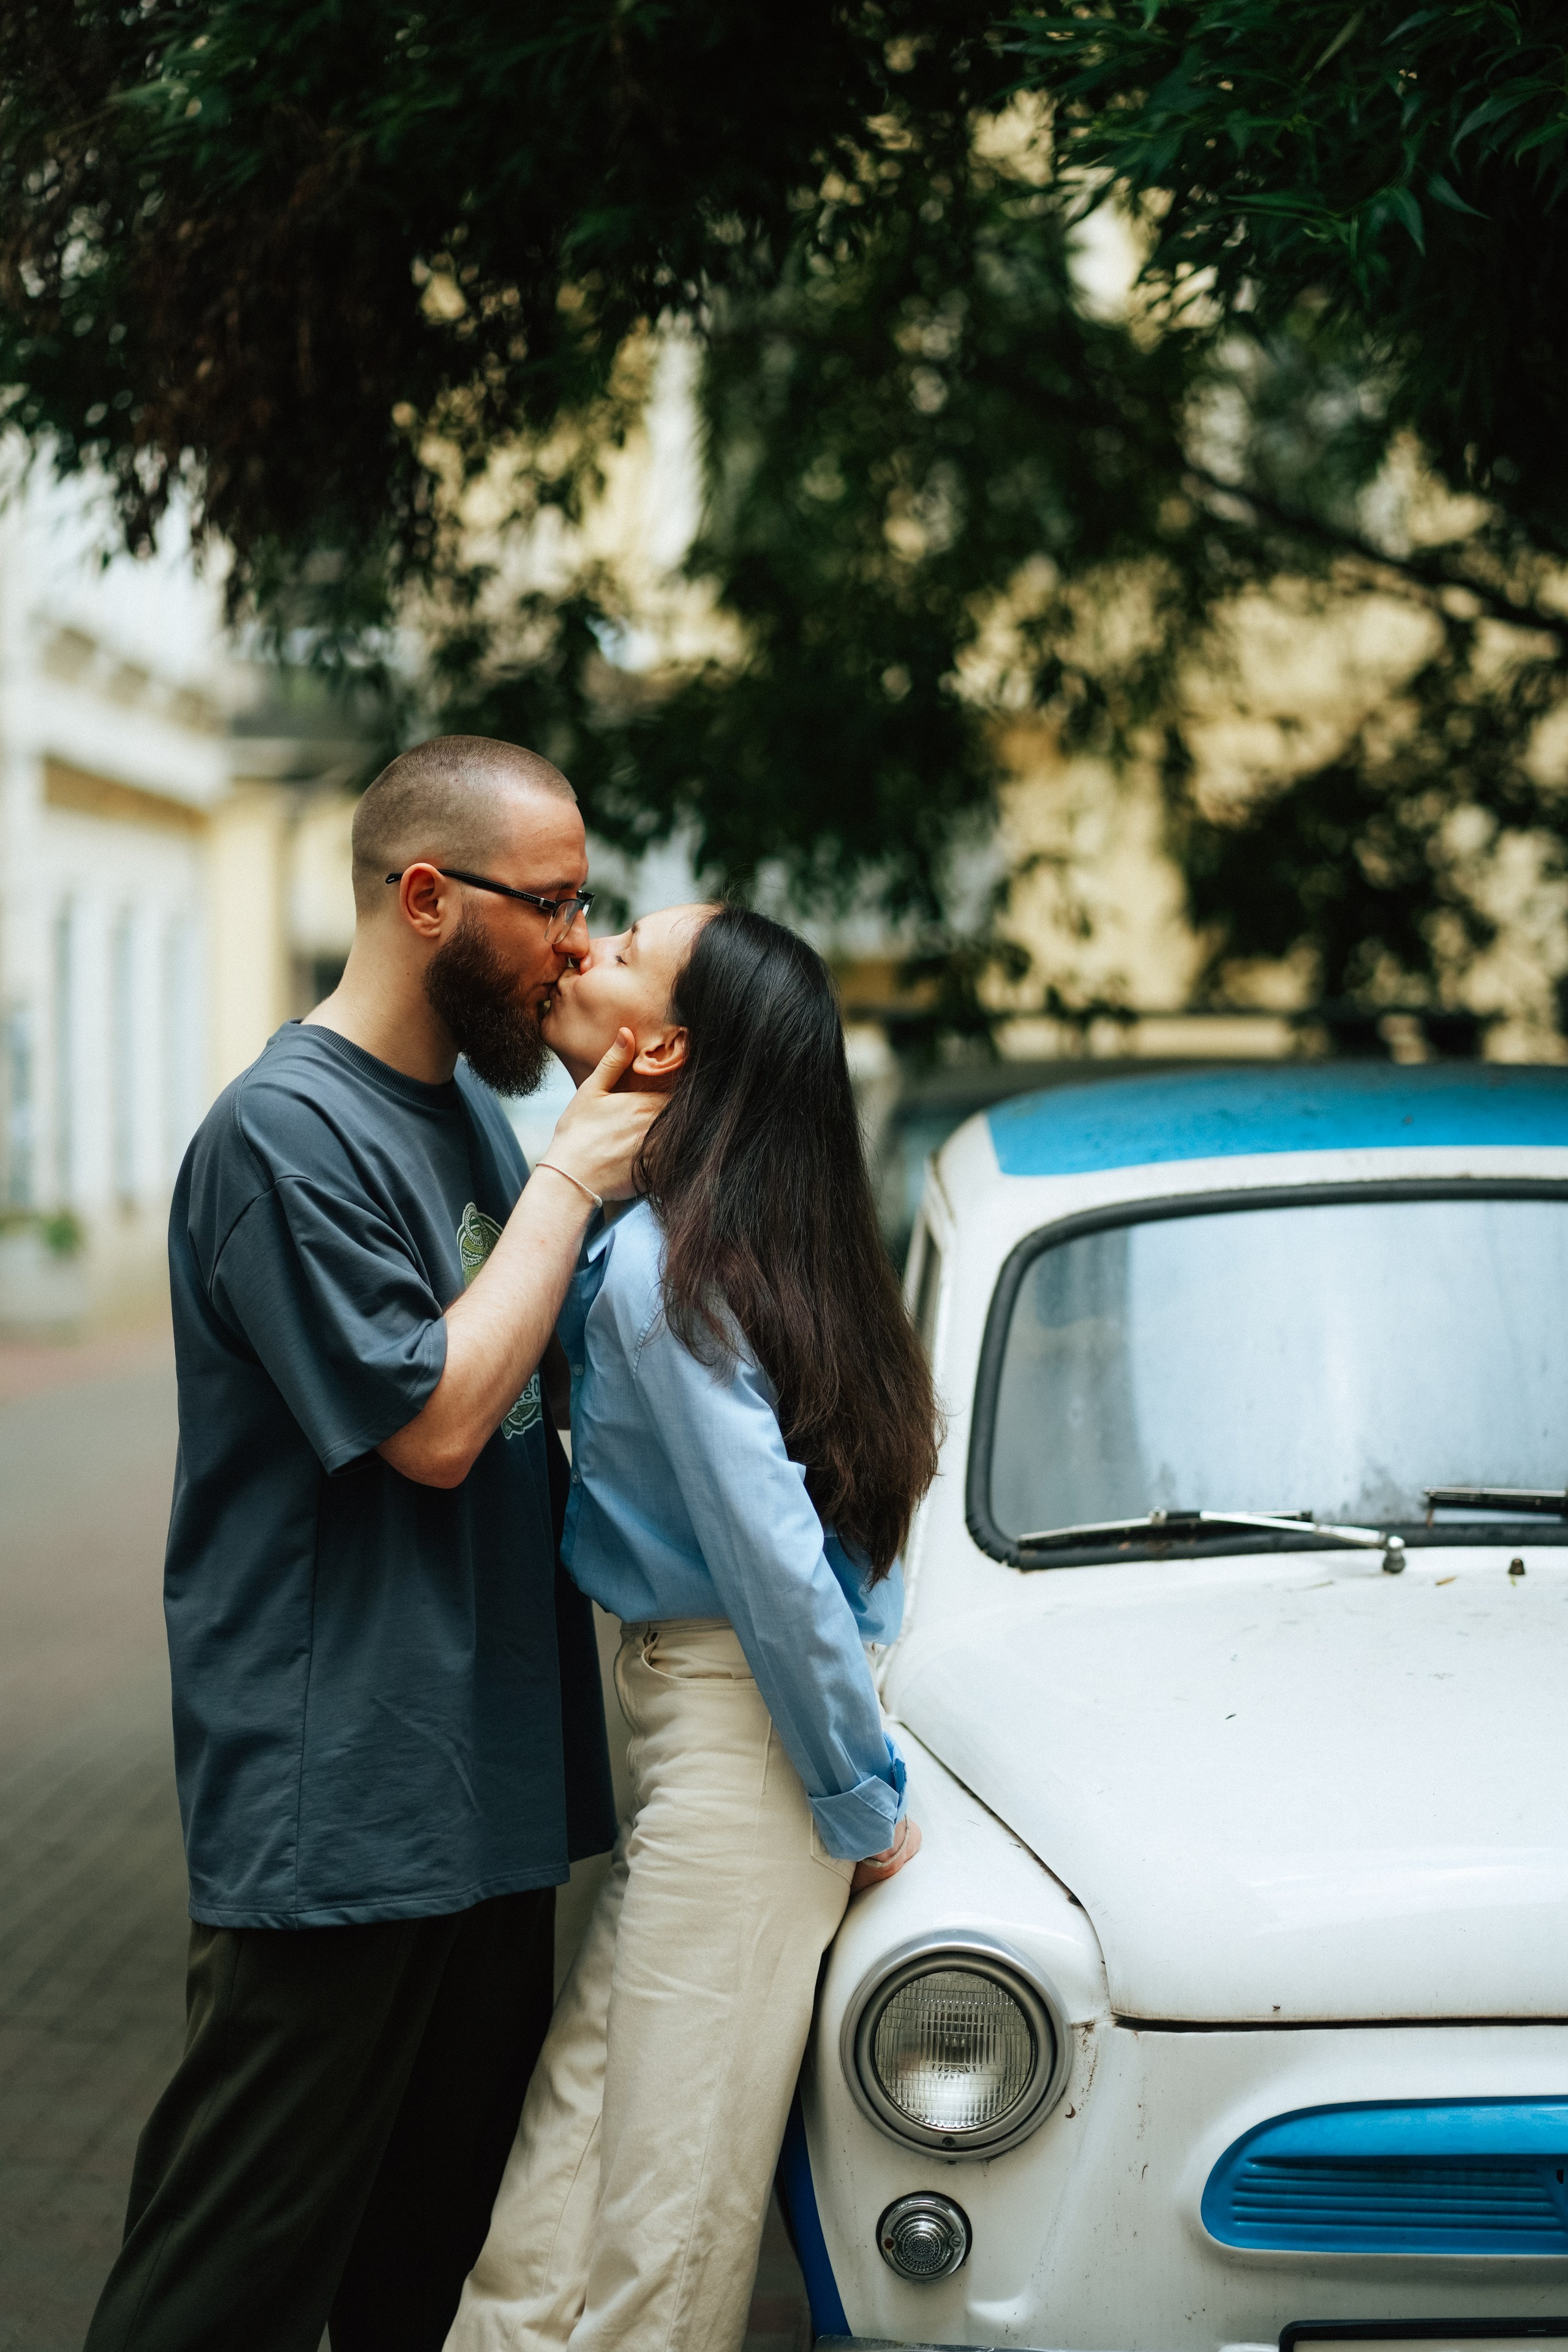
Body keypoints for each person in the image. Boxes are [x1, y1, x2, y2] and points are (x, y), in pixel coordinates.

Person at [85, 737, 665, 2352]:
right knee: (225, 2291)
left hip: (485, 1810)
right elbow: (433, 1423)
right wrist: (564, 1187)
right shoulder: (287, 1135)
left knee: (432, 2279)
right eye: (550, 904)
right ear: (427, 897)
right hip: (337, 1826)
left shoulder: (473, 1117)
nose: (572, 939)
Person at [447, 902, 940, 2352]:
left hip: (747, 1765)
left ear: (658, 1045)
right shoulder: (691, 1243)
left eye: (615, 954)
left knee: (662, 2226)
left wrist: (859, 1802)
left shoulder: (671, 1271)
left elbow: (787, 1569)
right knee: (563, 2191)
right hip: (696, 1750)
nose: (576, 953)